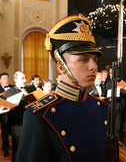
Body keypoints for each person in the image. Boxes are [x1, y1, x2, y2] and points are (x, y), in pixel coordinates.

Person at [17, 14, 108, 162]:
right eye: (83, 59)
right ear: (61, 66)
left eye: (95, 59)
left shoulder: (101, 107)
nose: (94, 67)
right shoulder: (41, 115)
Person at [6, 71, 31, 162]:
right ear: (15, 80)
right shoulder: (11, 91)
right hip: (17, 126)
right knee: (18, 149)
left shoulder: (27, 89)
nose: (25, 80)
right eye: (22, 78)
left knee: (26, 148)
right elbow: (10, 108)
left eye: (25, 77)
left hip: (27, 123)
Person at [0, 72, 13, 157]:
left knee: (13, 131)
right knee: (4, 132)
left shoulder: (12, 87)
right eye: (4, 78)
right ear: (0, 80)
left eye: (7, 78)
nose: (7, 80)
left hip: (12, 112)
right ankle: (5, 149)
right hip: (2, 113)